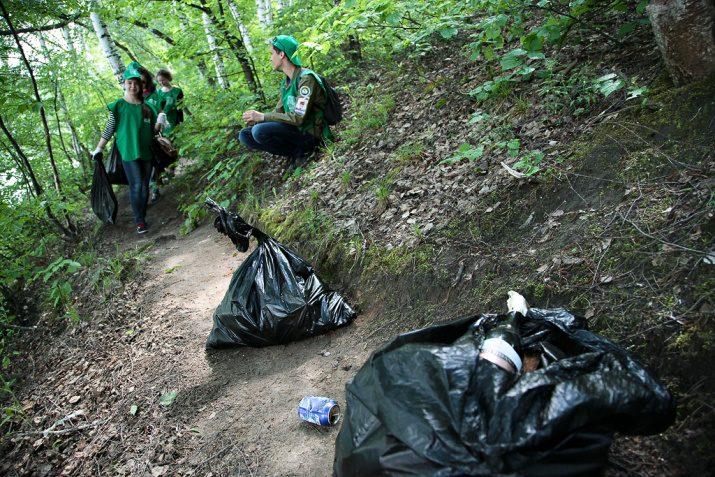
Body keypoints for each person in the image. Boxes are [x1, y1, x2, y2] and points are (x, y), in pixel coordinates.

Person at [239, 35, 333, 171]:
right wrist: (257, 120)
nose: (271, 58)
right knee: (245, 134)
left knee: (259, 131)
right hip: (296, 131)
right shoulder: (286, 83)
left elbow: (298, 118)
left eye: (272, 54)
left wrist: (263, 117)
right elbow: (278, 113)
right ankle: (297, 153)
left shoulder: (306, 79)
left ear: (282, 54)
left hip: (310, 134)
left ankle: (303, 152)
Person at [92, 62, 160, 234]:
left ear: (141, 85)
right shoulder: (118, 106)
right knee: (136, 185)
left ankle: (142, 215)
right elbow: (109, 129)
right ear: (124, 84)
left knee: (144, 185)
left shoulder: (149, 107)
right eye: (129, 82)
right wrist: (99, 148)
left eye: (136, 83)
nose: (133, 86)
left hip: (146, 152)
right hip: (128, 152)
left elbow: (153, 132)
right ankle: (140, 221)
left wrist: (159, 123)